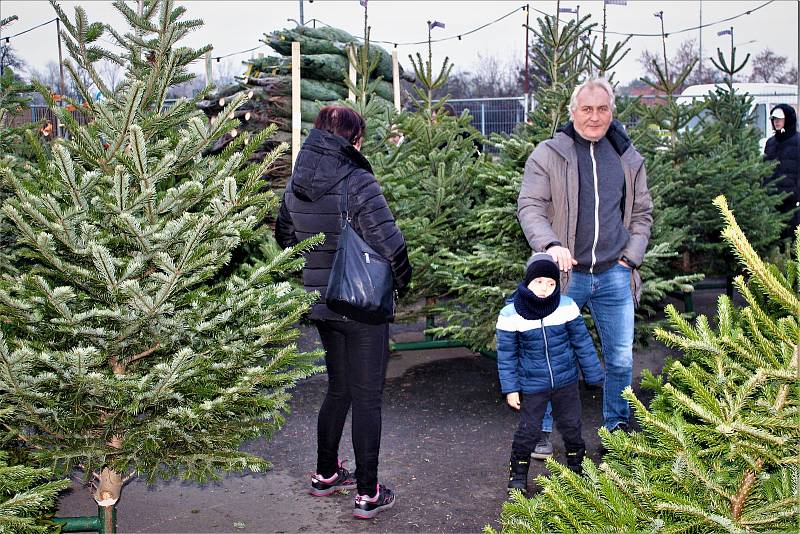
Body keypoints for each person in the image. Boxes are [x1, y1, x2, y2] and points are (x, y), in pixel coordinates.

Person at [275, 106, 412, 519]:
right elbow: (392, 245)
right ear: (354, 139)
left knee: (339, 388)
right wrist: (400, 284)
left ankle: (325, 473)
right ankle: (368, 493)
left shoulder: (296, 181)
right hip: (362, 305)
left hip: (322, 305)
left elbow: (285, 237)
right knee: (367, 398)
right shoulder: (358, 179)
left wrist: (317, 270)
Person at [517, 78, 653, 456]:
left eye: (602, 109)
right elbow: (530, 207)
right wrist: (551, 245)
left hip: (614, 274)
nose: (594, 117)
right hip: (563, 276)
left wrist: (631, 258)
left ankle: (616, 429)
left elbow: (642, 213)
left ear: (612, 112)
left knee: (621, 359)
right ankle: (541, 432)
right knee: (546, 355)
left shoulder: (628, 157)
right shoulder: (549, 154)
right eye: (587, 109)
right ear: (572, 111)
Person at [496, 253, 604, 494]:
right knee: (529, 431)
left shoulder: (566, 307)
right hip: (533, 385)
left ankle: (578, 471)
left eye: (551, 283)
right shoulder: (511, 314)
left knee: (572, 427)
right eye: (539, 282)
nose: (545, 288)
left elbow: (582, 342)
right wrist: (511, 388)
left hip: (566, 382)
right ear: (528, 282)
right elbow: (507, 355)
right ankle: (518, 476)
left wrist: (594, 373)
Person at [764, 104, 800, 238]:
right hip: (773, 201)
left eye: (780, 119)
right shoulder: (770, 143)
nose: (776, 122)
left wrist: (797, 193)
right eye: (774, 119)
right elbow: (765, 170)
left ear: (788, 119)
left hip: (793, 203)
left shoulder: (798, 141)